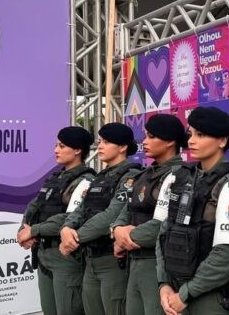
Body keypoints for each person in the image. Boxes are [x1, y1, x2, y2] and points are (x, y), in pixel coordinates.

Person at [157, 106, 229, 315]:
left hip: (208, 296)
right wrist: (163, 283)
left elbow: (227, 253)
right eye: (190, 134)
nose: (191, 140)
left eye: (201, 135)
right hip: (176, 292)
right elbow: (165, 230)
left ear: (222, 141)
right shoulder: (183, 176)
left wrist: (186, 293)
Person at [60, 122, 142, 315]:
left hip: (111, 261)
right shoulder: (100, 176)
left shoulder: (131, 175)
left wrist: (75, 238)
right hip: (90, 260)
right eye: (100, 141)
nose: (101, 146)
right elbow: (81, 208)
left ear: (122, 147)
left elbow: (111, 215)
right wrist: (66, 229)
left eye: (106, 142)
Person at [111, 114, 188, 315]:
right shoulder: (143, 174)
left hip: (157, 265)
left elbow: (163, 224)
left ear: (170, 141)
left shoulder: (180, 175)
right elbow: (126, 210)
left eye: (151, 137)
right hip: (134, 261)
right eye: (145, 136)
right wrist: (117, 230)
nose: (144, 142)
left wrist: (125, 238)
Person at [18, 126, 95, 315]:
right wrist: (24, 229)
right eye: (56, 145)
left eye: (62, 146)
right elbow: (34, 206)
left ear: (77, 150)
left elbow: (70, 217)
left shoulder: (86, 180)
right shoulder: (55, 178)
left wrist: (34, 230)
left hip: (65, 258)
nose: (56, 150)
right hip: (44, 255)